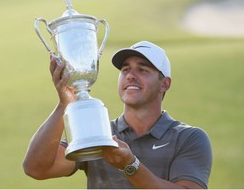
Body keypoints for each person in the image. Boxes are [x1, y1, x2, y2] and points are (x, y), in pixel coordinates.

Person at [23, 41, 212, 189]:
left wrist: (130, 165)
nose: (130, 75)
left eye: (143, 69)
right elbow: (36, 168)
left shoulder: (189, 138)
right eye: (125, 70)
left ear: (164, 84)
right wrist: (65, 104)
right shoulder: (97, 133)